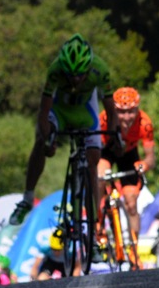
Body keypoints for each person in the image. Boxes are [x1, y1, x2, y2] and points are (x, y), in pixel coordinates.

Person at [9, 34, 117, 234]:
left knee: (93, 162)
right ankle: (27, 198)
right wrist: (47, 139)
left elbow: (111, 111)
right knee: (41, 142)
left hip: (85, 113)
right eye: (70, 75)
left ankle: (93, 228)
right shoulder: (55, 70)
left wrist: (112, 138)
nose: (75, 79)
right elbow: (43, 111)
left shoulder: (100, 69)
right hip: (60, 111)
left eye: (80, 75)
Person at [97, 86, 155, 260]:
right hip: (107, 150)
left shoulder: (145, 123)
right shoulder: (104, 119)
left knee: (131, 202)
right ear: (114, 110)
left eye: (131, 112)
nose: (127, 117)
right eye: (121, 112)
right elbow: (95, 148)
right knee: (100, 175)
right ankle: (98, 220)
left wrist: (144, 165)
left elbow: (151, 158)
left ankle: (134, 250)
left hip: (129, 154)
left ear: (137, 109)